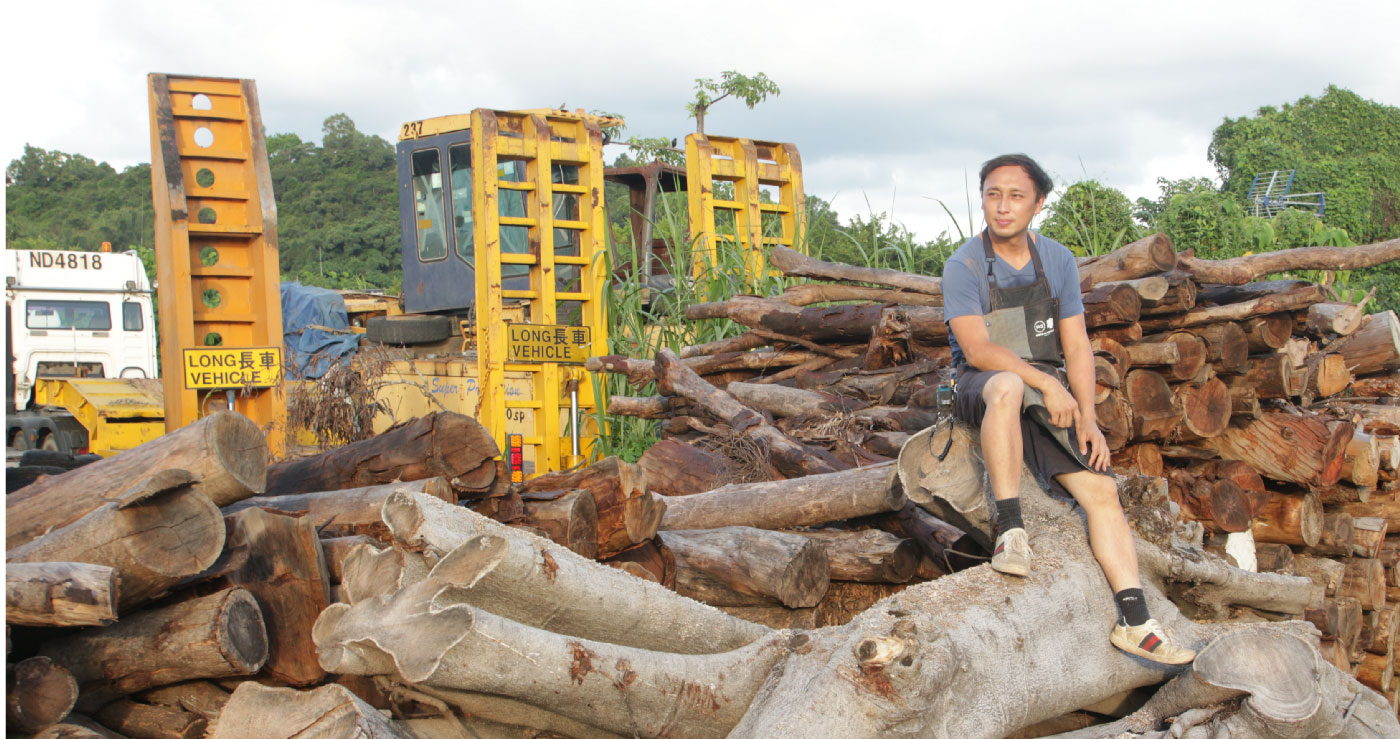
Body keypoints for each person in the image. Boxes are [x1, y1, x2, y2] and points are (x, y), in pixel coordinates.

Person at [940, 154, 1195, 665]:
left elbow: (1077, 346)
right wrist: (1046, 387)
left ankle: (1136, 621)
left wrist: (1086, 416)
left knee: (1101, 489)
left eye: (1015, 196)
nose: (1002, 206)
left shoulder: (1056, 259)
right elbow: (979, 351)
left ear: (1038, 203)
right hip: (981, 385)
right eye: (992, 194)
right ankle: (1010, 531)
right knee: (1008, 384)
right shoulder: (964, 265)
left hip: (1042, 391)